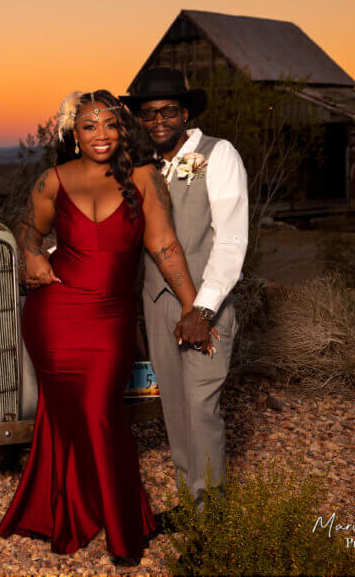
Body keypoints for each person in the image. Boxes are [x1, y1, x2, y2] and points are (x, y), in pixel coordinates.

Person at [0, 89, 204, 564]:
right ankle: (82, 511)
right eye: (89, 126)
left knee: (98, 410)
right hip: (54, 316)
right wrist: (31, 256)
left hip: (109, 318)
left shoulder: (144, 177)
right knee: (70, 413)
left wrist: (194, 308)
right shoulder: (52, 180)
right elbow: (28, 229)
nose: (101, 135)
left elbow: (164, 244)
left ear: (122, 127)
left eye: (109, 124)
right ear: (74, 133)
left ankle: (113, 520)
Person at [120, 67, 248, 514]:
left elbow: (232, 239)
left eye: (168, 111)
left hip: (203, 310)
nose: (158, 121)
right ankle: (188, 508)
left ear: (186, 113)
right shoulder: (140, 168)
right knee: (173, 409)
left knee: (201, 409)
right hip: (156, 307)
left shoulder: (219, 154)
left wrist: (205, 309)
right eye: (149, 113)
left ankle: (210, 514)